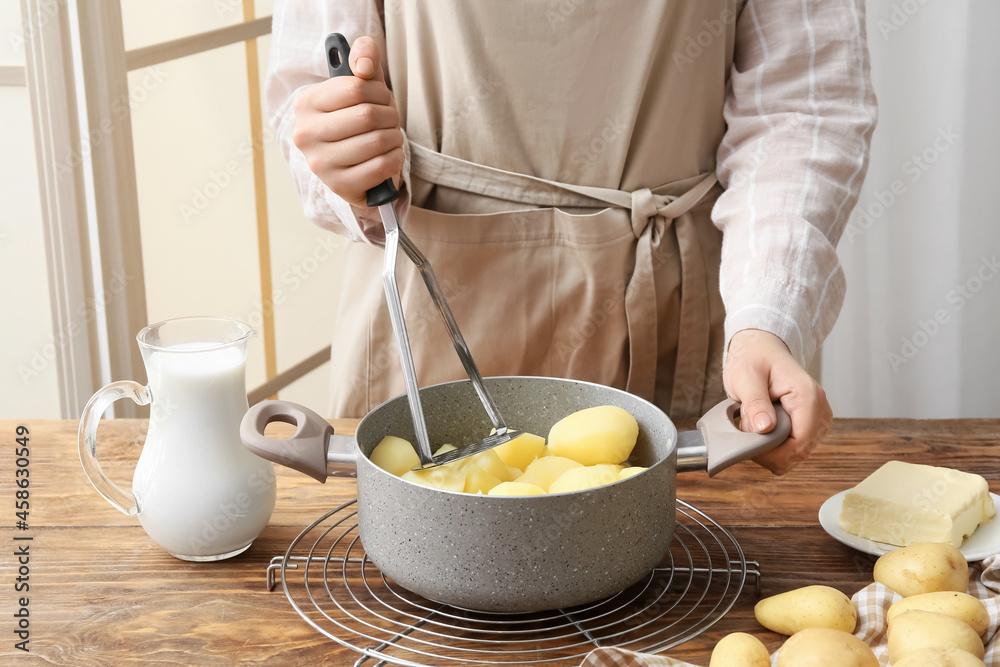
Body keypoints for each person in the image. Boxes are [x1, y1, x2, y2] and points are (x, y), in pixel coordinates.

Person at [266, 0, 877, 475]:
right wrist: (340, 151)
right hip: (427, 305)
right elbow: (310, 87)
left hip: (683, 308)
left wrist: (767, 316)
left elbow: (804, 107)